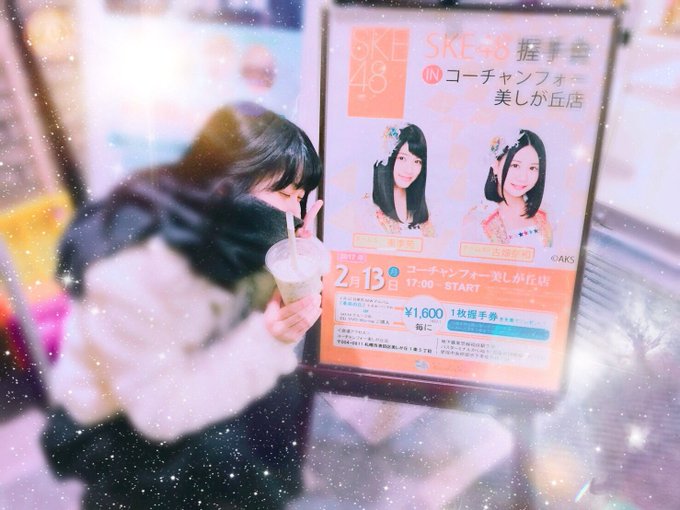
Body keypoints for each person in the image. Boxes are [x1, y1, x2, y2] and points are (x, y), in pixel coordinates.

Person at [41, 102, 324, 509]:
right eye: (284, 194)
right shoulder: (133, 266)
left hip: (195, 421)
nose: (295, 213)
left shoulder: (215, 236)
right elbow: (162, 413)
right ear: (226, 185)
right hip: (126, 448)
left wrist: (285, 266)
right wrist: (267, 337)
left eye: (300, 198)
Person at [463, 128, 552, 248]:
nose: (523, 177)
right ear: (496, 165)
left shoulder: (547, 216)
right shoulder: (477, 220)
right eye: (515, 165)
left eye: (532, 168)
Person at [365, 123, 435, 236]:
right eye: (402, 158)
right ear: (387, 159)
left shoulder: (427, 208)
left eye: (417, 161)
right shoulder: (367, 208)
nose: (409, 170)